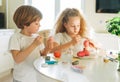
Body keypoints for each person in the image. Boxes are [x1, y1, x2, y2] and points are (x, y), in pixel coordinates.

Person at [9, 5, 53, 82]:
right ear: (25, 24)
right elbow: (17, 59)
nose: (40, 25)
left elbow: (42, 56)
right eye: (36, 23)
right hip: (21, 78)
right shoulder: (15, 37)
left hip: (35, 77)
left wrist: (48, 48)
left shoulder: (37, 37)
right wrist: (34, 45)